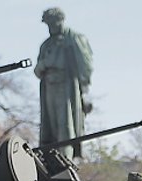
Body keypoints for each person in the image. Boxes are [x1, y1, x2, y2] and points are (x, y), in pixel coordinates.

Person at [34, 7, 93, 160]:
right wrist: (44, 64)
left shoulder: (73, 39)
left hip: (67, 87)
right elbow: (37, 70)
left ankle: (66, 161)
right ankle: (51, 162)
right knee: (50, 129)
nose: (51, 28)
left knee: (66, 127)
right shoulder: (46, 45)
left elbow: (85, 66)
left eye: (53, 23)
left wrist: (85, 92)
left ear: (60, 21)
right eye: (48, 24)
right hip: (49, 87)